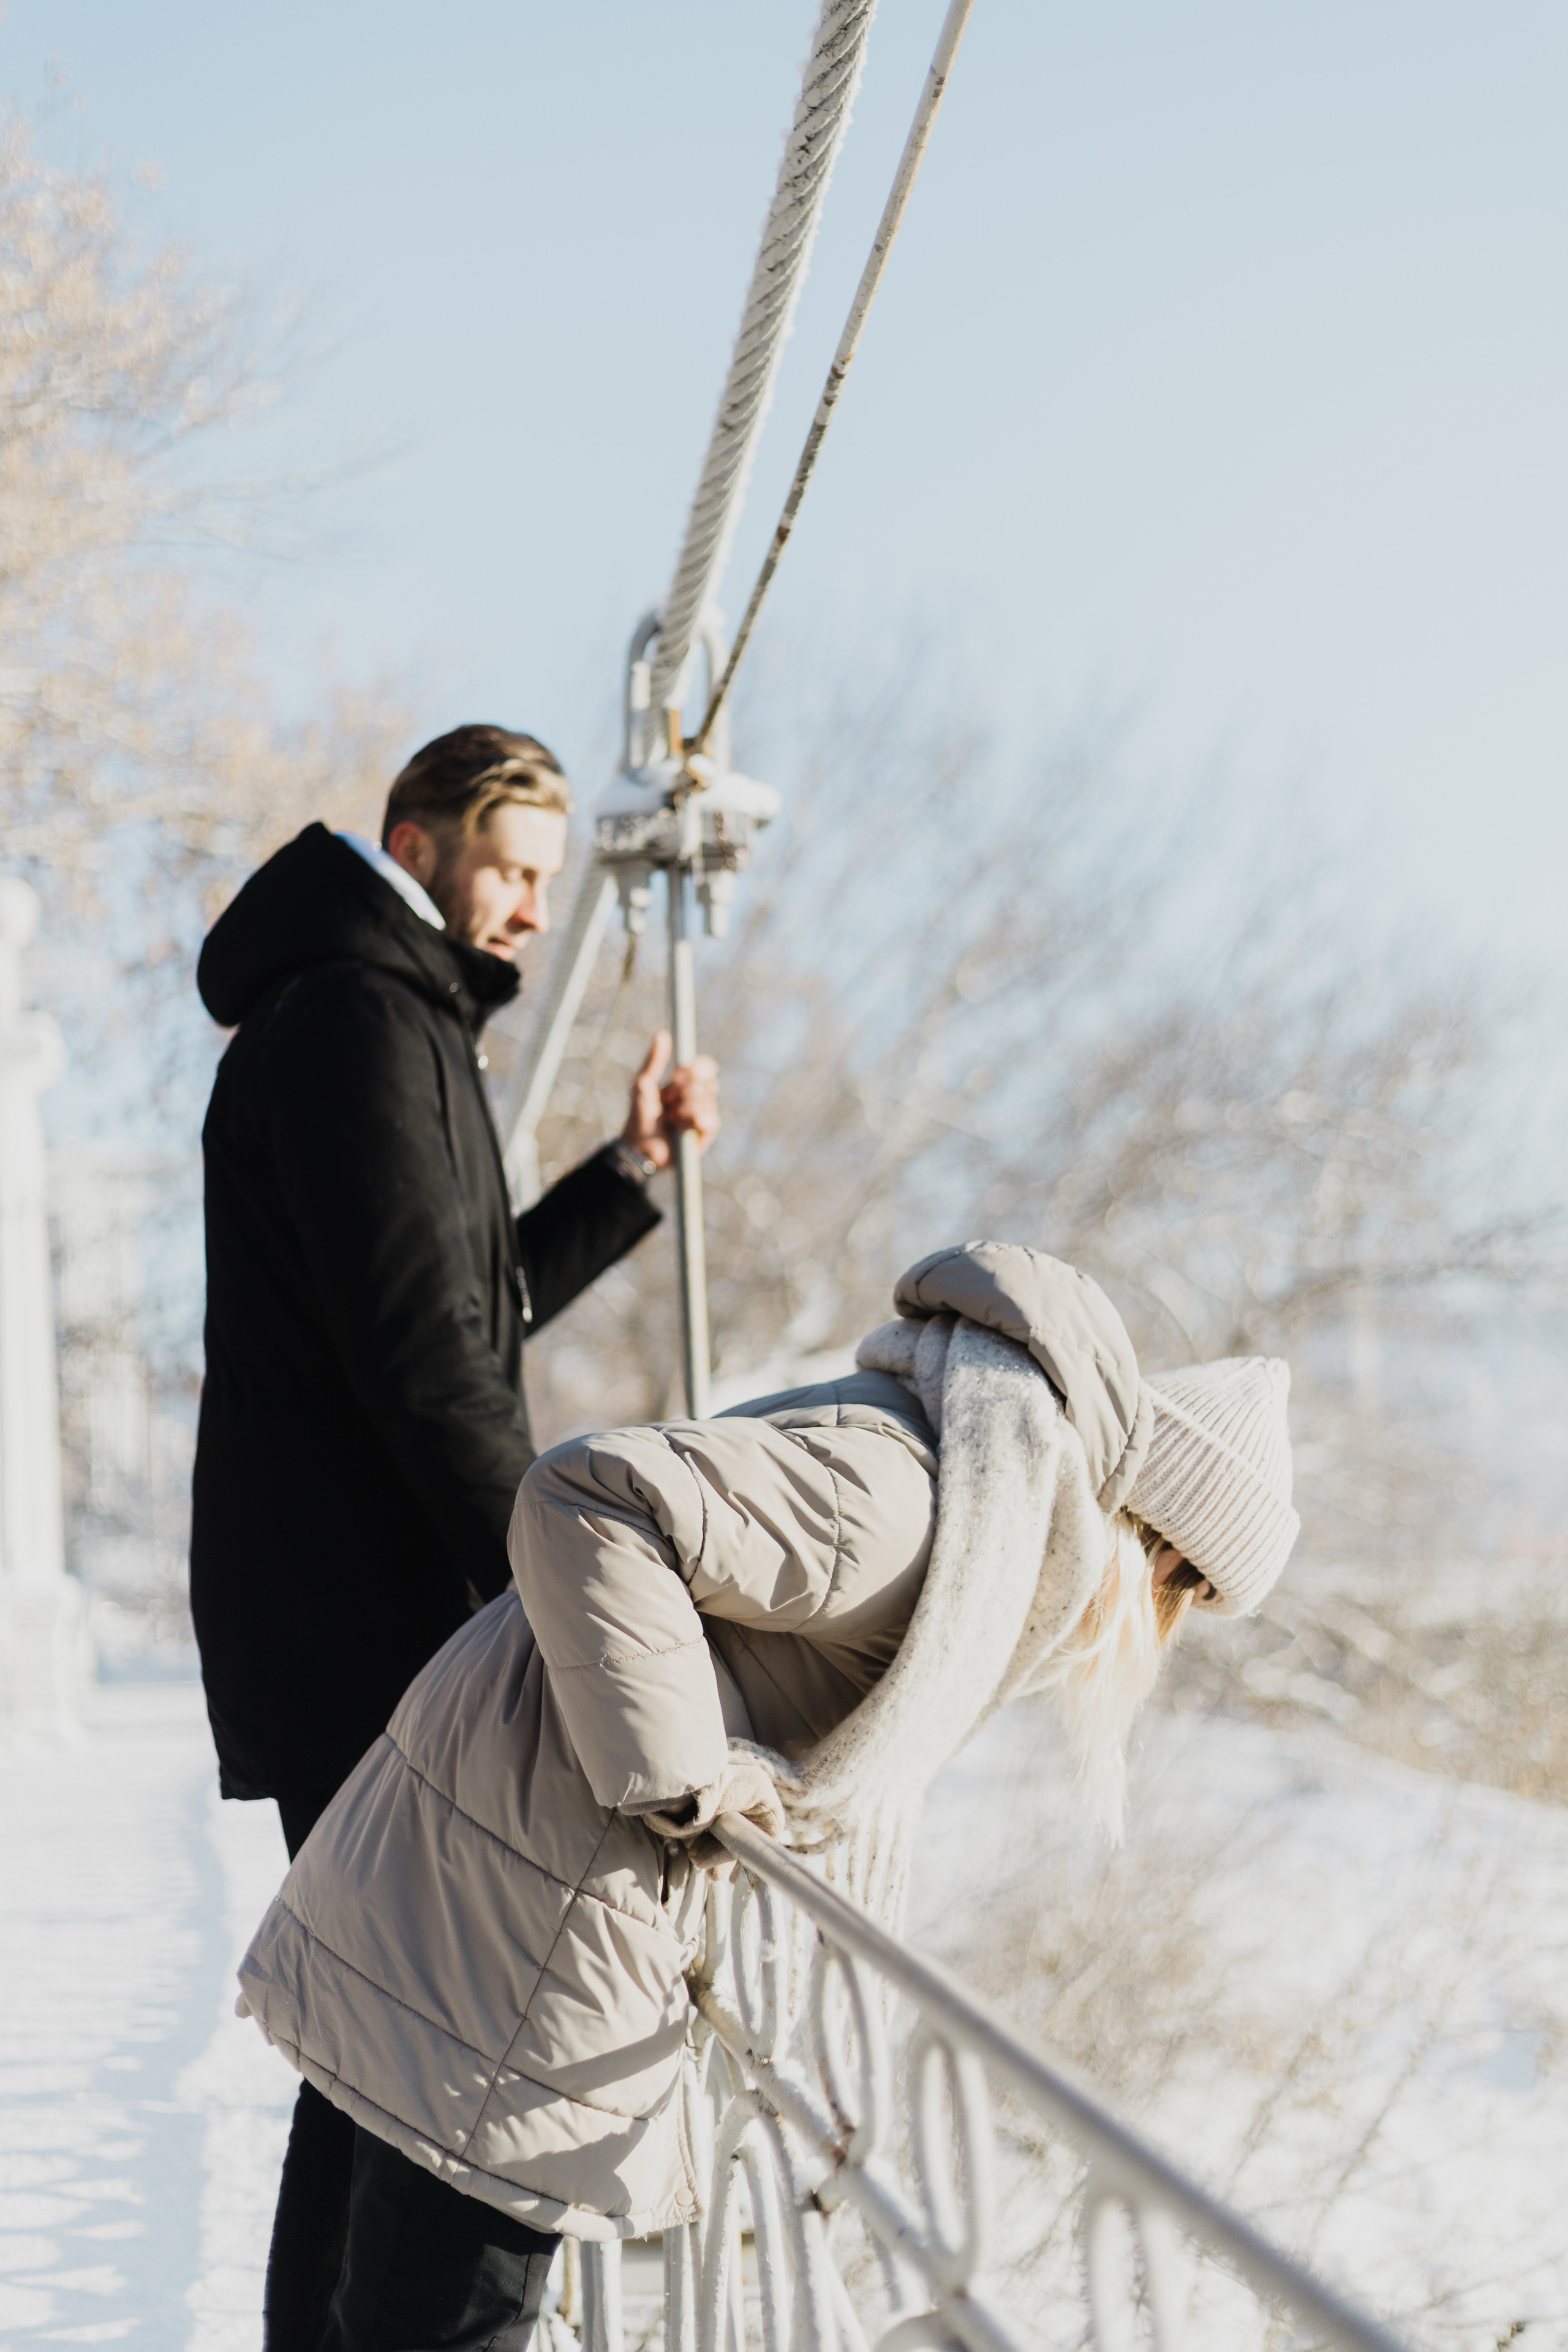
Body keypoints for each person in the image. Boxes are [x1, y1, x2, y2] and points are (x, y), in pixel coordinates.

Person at [235, 1241, 1300, 2350]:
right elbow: (586, 1497)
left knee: (377, 2300)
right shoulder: (913, 1500)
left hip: (514, 1864)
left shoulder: (959, 1495)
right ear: (1150, 1534)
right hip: (521, 1887)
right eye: (1185, 1588)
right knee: (442, 2319)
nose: (1161, 1627)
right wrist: (686, 1776)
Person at [189, 724, 718, 2348]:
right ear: (412, 846)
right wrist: (558, 1599)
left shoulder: (380, 1016)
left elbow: (458, 1315)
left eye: (549, 883)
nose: (533, 913)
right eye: (510, 870)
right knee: (418, 2058)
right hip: (368, 1630)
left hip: (341, 1618)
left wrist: (625, 1178)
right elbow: (428, 1365)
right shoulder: (360, 1020)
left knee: (373, 2055)